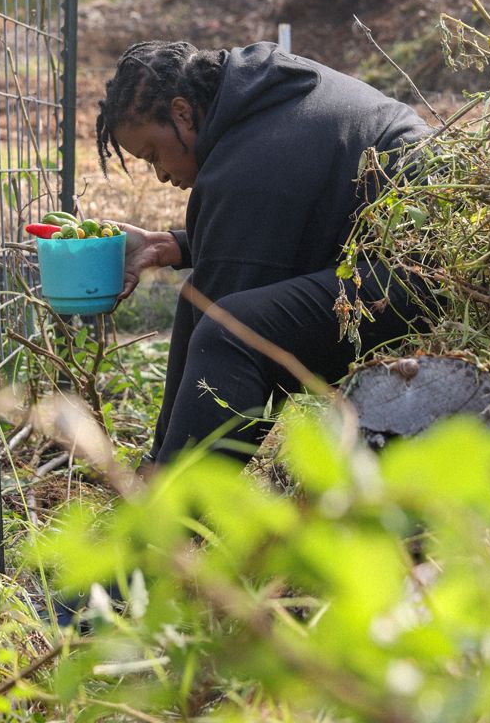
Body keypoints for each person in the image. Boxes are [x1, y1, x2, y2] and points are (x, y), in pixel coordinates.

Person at [96, 39, 431, 466]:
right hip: (391, 259)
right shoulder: (262, 96)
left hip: (417, 281)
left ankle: (175, 509)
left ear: (181, 112)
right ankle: (162, 468)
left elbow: (228, 347)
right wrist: (174, 245)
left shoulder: (246, 163)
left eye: (153, 154)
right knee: (201, 298)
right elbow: (295, 225)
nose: (160, 174)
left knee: (229, 331)